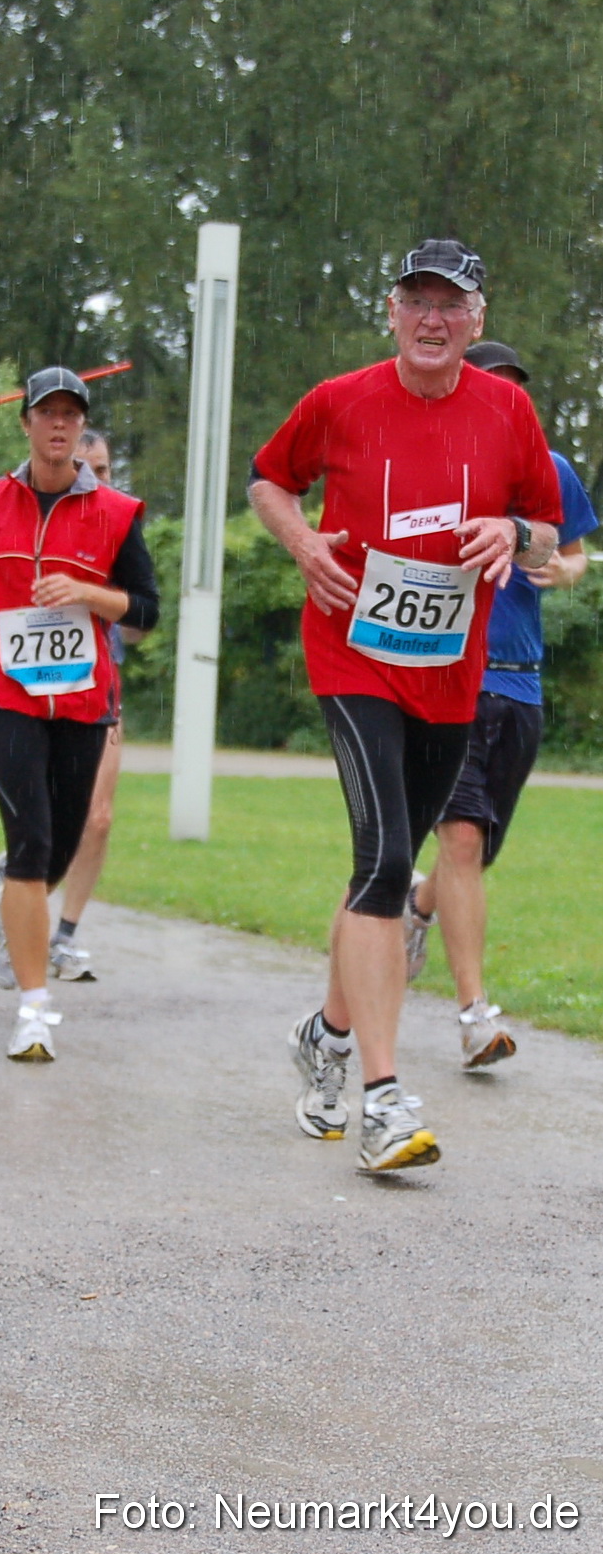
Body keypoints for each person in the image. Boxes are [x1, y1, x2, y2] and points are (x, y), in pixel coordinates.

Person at [249, 240, 562, 1172]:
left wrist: (511, 531)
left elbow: (546, 536)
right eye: (416, 300)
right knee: (385, 858)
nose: (432, 318)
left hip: (450, 673)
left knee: (383, 873)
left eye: (449, 304)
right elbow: (270, 479)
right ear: (391, 310)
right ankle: (383, 1098)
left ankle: (327, 1032)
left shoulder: (507, 409)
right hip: (351, 651)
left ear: (475, 317)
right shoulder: (338, 401)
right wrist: (301, 540)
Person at [0, 367, 159, 1062]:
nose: (59, 426)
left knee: (61, 843)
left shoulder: (117, 513)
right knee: (31, 841)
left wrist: (89, 592)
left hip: (84, 698)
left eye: (71, 415)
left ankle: (11, 903)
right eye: (46, 413)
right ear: (25, 423)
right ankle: (33, 1007)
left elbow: (144, 612)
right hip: (4, 695)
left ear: (79, 427)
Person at [402, 341, 597, 1067]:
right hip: (454, 675)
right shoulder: (439, 468)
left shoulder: (550, 472)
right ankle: (474, 1015)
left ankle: (416, 906)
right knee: (459, 840)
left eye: (514, 387)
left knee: (473, 856)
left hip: (520, 683)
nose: (503, 397)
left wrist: (560, 572)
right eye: (491, 383)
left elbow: (574, 553)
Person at [0, 426, 136, 982]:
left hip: (94, 685)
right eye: (88, 465)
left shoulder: (118, 525)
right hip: (25, 689)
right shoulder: (24, 517)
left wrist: (98, 597)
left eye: (107, 468)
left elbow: (139, 619)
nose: (97, 477)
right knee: (37, 825)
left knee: (96, 817)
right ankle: (20, 904)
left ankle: (62, 933)